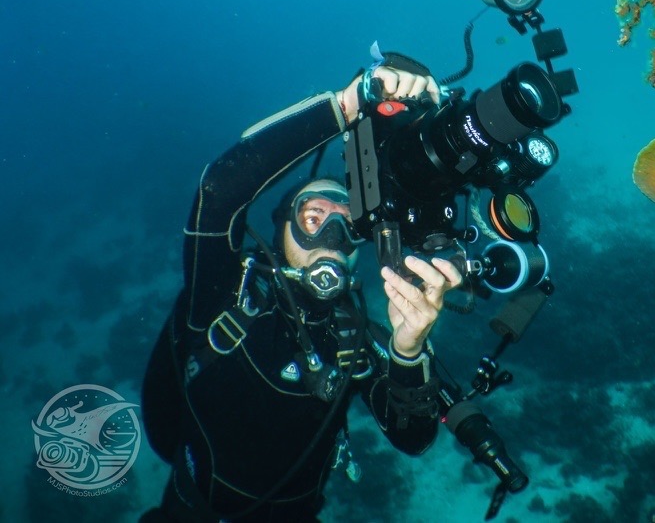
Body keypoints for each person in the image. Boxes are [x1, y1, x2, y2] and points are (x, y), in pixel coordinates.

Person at [140, 57, 462, 522]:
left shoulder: (355, 340)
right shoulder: (220, 297)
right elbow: (220, 190)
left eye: (347, 223)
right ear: (281, 229)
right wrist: (349, 105)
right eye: (313, 218)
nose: (332, 236)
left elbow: (414, 438)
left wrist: (409, 352)